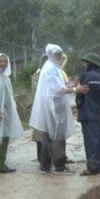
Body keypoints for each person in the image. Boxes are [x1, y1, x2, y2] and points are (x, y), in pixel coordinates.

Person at [29, 44, 80, 175]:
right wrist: (75, 89)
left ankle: (45, 165)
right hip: (53, 108)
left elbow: (57, 85)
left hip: (53, 106)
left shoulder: (52, 67)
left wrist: (68, 85)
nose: (59, 57)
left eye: (60, 54)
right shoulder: (51, 68)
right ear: (51, 55)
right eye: (57, 54)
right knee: (57, 136)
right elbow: (56, 90)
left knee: (48, 135)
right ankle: (59, 165)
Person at [75, 52, 100, 176]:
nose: (84, 65)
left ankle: (92, 167)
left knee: (90, 141)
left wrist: (79, 105)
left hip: (88, 114)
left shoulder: (86, 76)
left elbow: (80, 96)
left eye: (85, 63)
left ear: (89, 64)